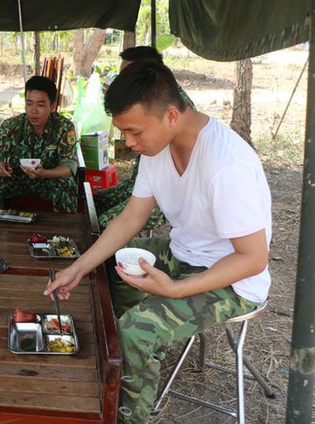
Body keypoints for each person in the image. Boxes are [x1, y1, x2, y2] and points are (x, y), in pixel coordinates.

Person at [44, 61, 271, 423]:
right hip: (184, 253)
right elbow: (132, 217)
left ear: (170, 116)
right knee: (109, 266)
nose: (128, 143)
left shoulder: (227, 165)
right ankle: (119, 369)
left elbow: (253, 259)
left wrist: (176, 290)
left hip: (233, 280)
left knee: (138, 331)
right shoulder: (156, 148)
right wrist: (78, 267)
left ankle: (128, 410)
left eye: (134, 132)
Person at [93, 46, 195, 230]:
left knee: (106, 223)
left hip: (166, 194)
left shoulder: (172, 107)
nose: (122, 82)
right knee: (94, 202)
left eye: (127, 75)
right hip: (141, 183)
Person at [0, 75, 78, 212]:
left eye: (41, 105)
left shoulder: (64, 127)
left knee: (67, 185)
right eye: (29, 103)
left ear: (53, 107)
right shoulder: (11, 126)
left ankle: (62, 231)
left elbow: (69, 167)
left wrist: (45, 173)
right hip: (16, 180)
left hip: (47, 180)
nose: (33, 110)